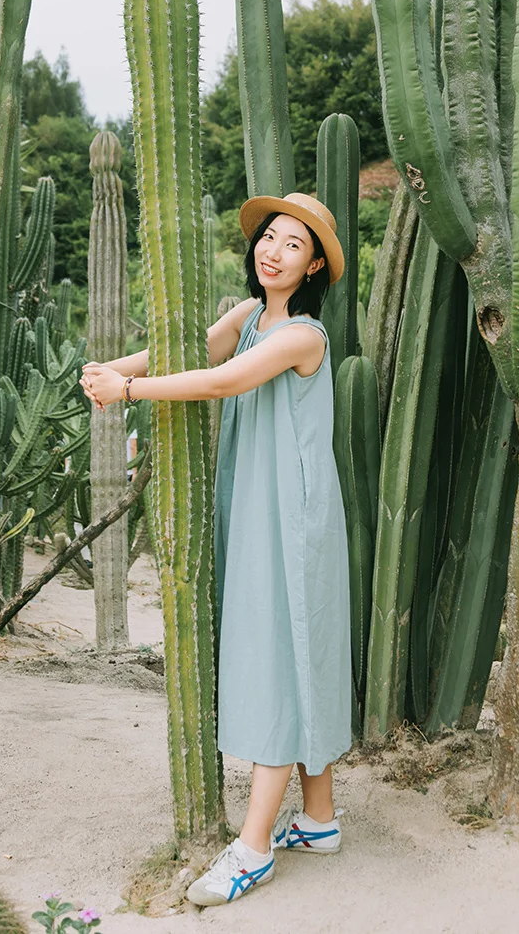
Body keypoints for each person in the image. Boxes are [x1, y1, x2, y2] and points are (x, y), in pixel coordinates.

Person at [80, 191, 352, 907]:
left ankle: (254, 848)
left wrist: (132, 389)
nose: (273, 250)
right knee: (291, 646)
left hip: (290, 512)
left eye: (293, 244)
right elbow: (198, 349)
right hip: (255, 502)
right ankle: (318, 820)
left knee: (279, 656)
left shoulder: (304, 336)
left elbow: (225, 380)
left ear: (315, 264)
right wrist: (110, 369)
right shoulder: (248, 315)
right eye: (270, 236)